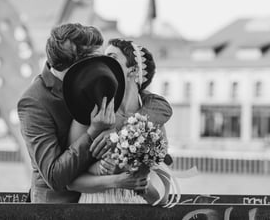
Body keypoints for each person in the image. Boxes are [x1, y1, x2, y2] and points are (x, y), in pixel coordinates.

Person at [18, 24, 172, 203]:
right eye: (95, 60)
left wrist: (122, 132)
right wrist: (93, 133)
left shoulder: (100, 86)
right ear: (78, 65)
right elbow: (54, 176)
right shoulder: (34, 101)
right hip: (57, 206)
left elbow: (159, 105)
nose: (102, 66)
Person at [65, 39, 173, 204]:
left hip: (137, 210)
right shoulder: (90, 113)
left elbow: (162, 197)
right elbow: (71, 182)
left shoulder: (154, 123)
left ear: (134, 70)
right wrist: (115, 180)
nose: (103, 63)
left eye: (112, 57)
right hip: (94, 208)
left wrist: (138, 181)